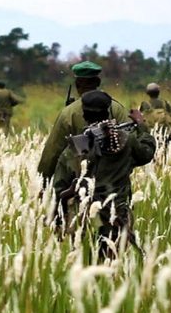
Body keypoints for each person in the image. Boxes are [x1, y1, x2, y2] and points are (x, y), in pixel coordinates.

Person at [52, 90, 156, 259]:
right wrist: (141, 125)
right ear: (108, 112)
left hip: (83, 217)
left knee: (84, 260)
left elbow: (59, 186)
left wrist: (59, 218)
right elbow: (146, 153)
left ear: (84, 115)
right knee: (113, 262)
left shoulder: (75, 148)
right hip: (117, 216)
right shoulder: (126, 140)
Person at [37, 61, 130, 181]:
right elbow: (130, 141)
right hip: (114, 179)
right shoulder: (116, 108)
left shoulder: (68, 113)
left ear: (77, 84)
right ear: (98, 82)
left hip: (77, 180)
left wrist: (44, 180)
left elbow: (53, 150)